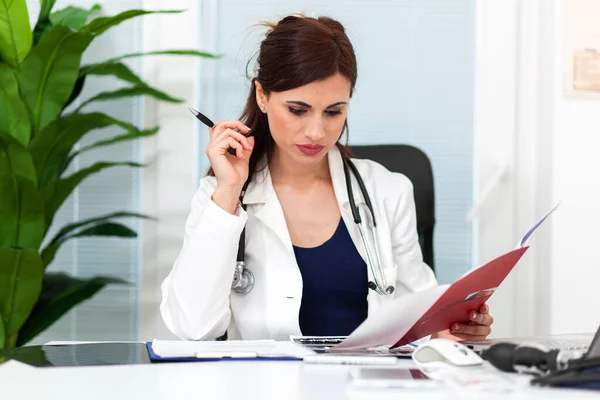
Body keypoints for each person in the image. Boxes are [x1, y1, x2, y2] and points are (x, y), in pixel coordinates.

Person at [160, 14, 493, 342]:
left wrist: (451, 328)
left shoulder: (388, 191)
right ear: (262, 96)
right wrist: (228, 191)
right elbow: (193, 327)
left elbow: (419, 319)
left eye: (334, 111)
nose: (316, 132)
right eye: (297, 110)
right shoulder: (220, 196)